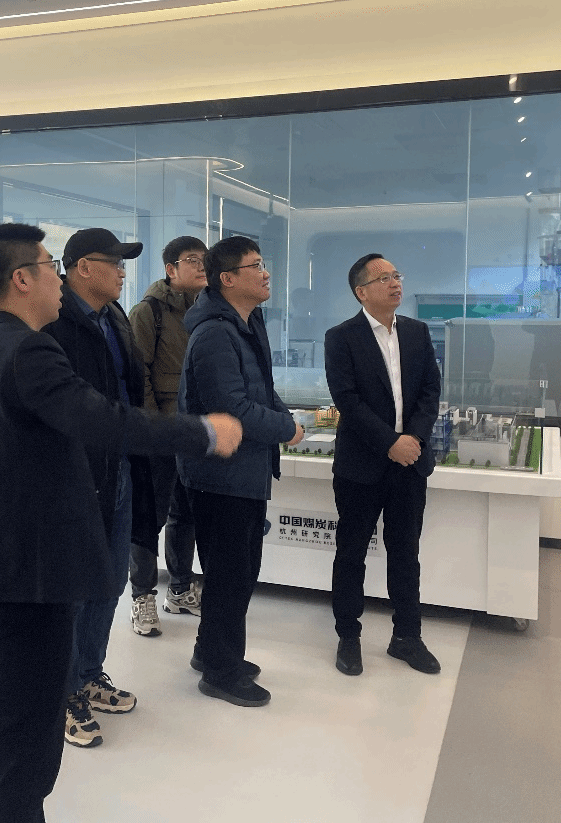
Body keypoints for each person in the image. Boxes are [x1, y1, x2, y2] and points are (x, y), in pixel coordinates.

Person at [0, 222, 242, 823]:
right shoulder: (27, 350)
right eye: (50, 267)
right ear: (22, 280)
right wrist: (203, 432)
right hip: (25, 580)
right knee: (25, 746)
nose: (59, 280)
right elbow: (103, 419)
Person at [178, 236, 304, 708]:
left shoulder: (246, 324)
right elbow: (230, 408)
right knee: (231, 575)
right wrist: (286, 429)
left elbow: (261, 391)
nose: (266, 273)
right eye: (255, 266)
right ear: (227, 279)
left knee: (237, 572)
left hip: (243, 471)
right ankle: (221, 672)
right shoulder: (215, 334)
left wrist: (285, 417)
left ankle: (209, 651)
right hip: (220, 475)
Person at [41, 227, 146, 747]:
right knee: (75, 586)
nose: (123, 272)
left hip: (118, 465)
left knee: (109, 577)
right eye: (115, 263)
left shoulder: (114, 316)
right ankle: (61, 693)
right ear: (83, 267)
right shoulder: (54, 322)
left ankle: (87, 673)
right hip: (77, 473)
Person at [324, 253, 442, 677]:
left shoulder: (416, 332)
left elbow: (430, 391)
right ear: (362, 291)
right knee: (351, 553)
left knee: (406, 553)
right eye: (384, 278)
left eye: (396, 275)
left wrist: (413, 440)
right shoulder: (341, 337)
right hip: (361, 465)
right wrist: (390, 442)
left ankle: (407, 637)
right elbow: (347, 400)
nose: (395, 283)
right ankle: (348, 636)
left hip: (410, 463)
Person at [126, 236, 208, 637]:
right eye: (192, 260)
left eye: (204, 259)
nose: (201, 265)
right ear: (170, 269)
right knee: (148, 516)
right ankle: (142, 595)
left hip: (193, 430)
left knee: (185, 513)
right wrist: (153, 427)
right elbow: (137, 372)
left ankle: (180, 588)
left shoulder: (207, 309)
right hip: (160, 432)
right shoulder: (149, 311)